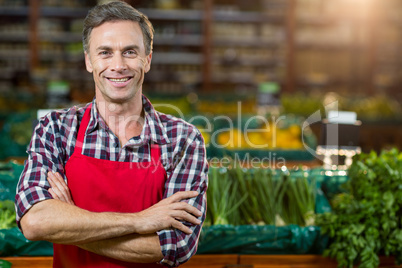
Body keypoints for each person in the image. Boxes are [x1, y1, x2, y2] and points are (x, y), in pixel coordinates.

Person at [14, 1, 208, 267]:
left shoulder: (183, 140)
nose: (118, 65)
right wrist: (140, 220)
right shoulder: (56, 128)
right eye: (105, 52)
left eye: (129, 52)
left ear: (147, 60)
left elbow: (175, 246)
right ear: (88, 61)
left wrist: (71, 221)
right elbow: (35, 222)